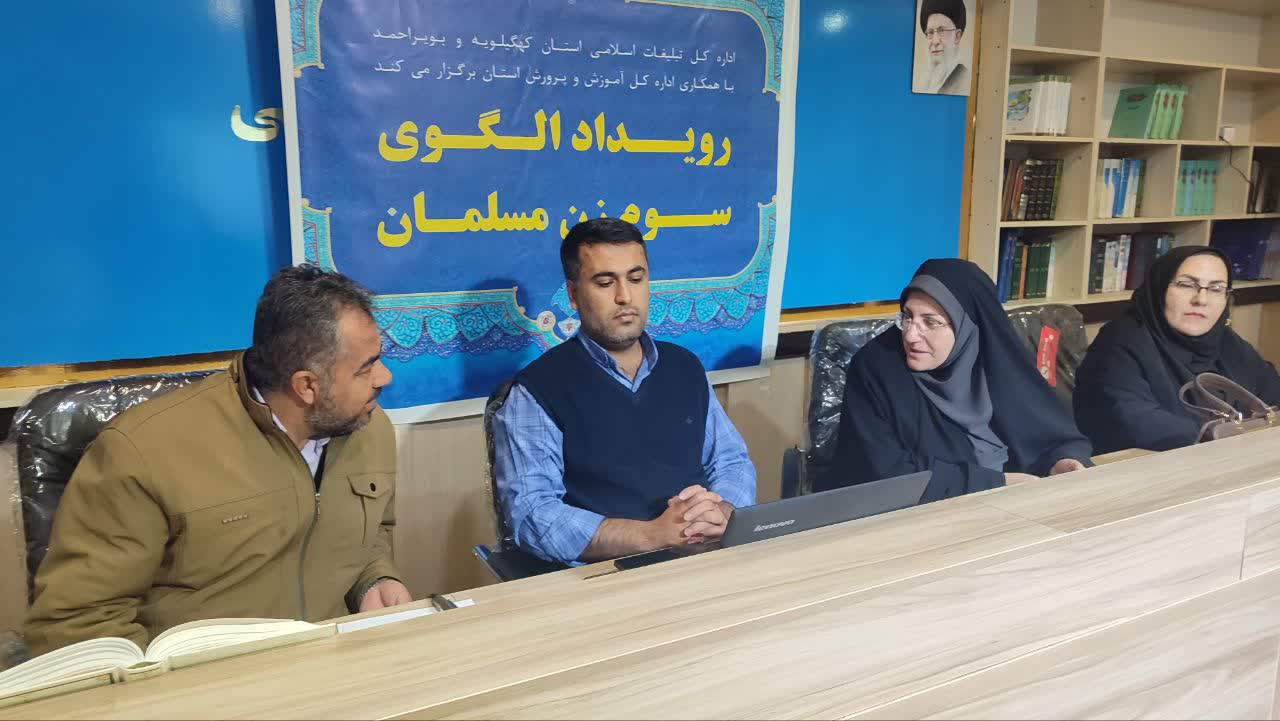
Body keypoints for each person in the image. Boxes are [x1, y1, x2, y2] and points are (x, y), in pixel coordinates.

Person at [24, 265, 410, 655]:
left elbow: (369, 535)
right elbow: (77, 625)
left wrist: (374, 580)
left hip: (334, 664)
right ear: (306, 386)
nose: (385, 377)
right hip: (202, 678)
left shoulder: (366, 428)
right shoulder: (142, 451)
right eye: (367, 367)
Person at [492, 218, 756, 565]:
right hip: (605, 575)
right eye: (605, 282)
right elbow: (532, 513)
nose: (625, 297)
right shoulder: (536, 390)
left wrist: (722, 512)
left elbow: (731, 461)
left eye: (636, 278)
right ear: (573, 294)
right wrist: (651, 536)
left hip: (702, 559)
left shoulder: (685, 366)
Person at [821, 258, 1092, 500]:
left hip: (1022, 503)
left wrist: (1061, 461)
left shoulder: (996, 359)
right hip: (925, 517)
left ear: (968, 327)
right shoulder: (876, 366)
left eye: (931, 322)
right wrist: (995, 484)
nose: (911, 335)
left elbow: (1050, 434)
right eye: (908, 317)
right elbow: (882, 472)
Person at [1074, 246, 1280, 454]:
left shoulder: (1227, 343)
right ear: (1160, 287)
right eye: (1186, 285)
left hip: (1234, 459)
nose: (1201, 300)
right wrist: (1217, 435)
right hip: (1151, 465)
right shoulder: (1120, 341)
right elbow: (1133, 421)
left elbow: (1273, 395)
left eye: (1216, 288)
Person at [920, 0, 971, 95]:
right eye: (930, 32)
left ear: (957, 36)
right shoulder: (927, 83)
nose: (935, 41)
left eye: (941, 31)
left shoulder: (963, 82)